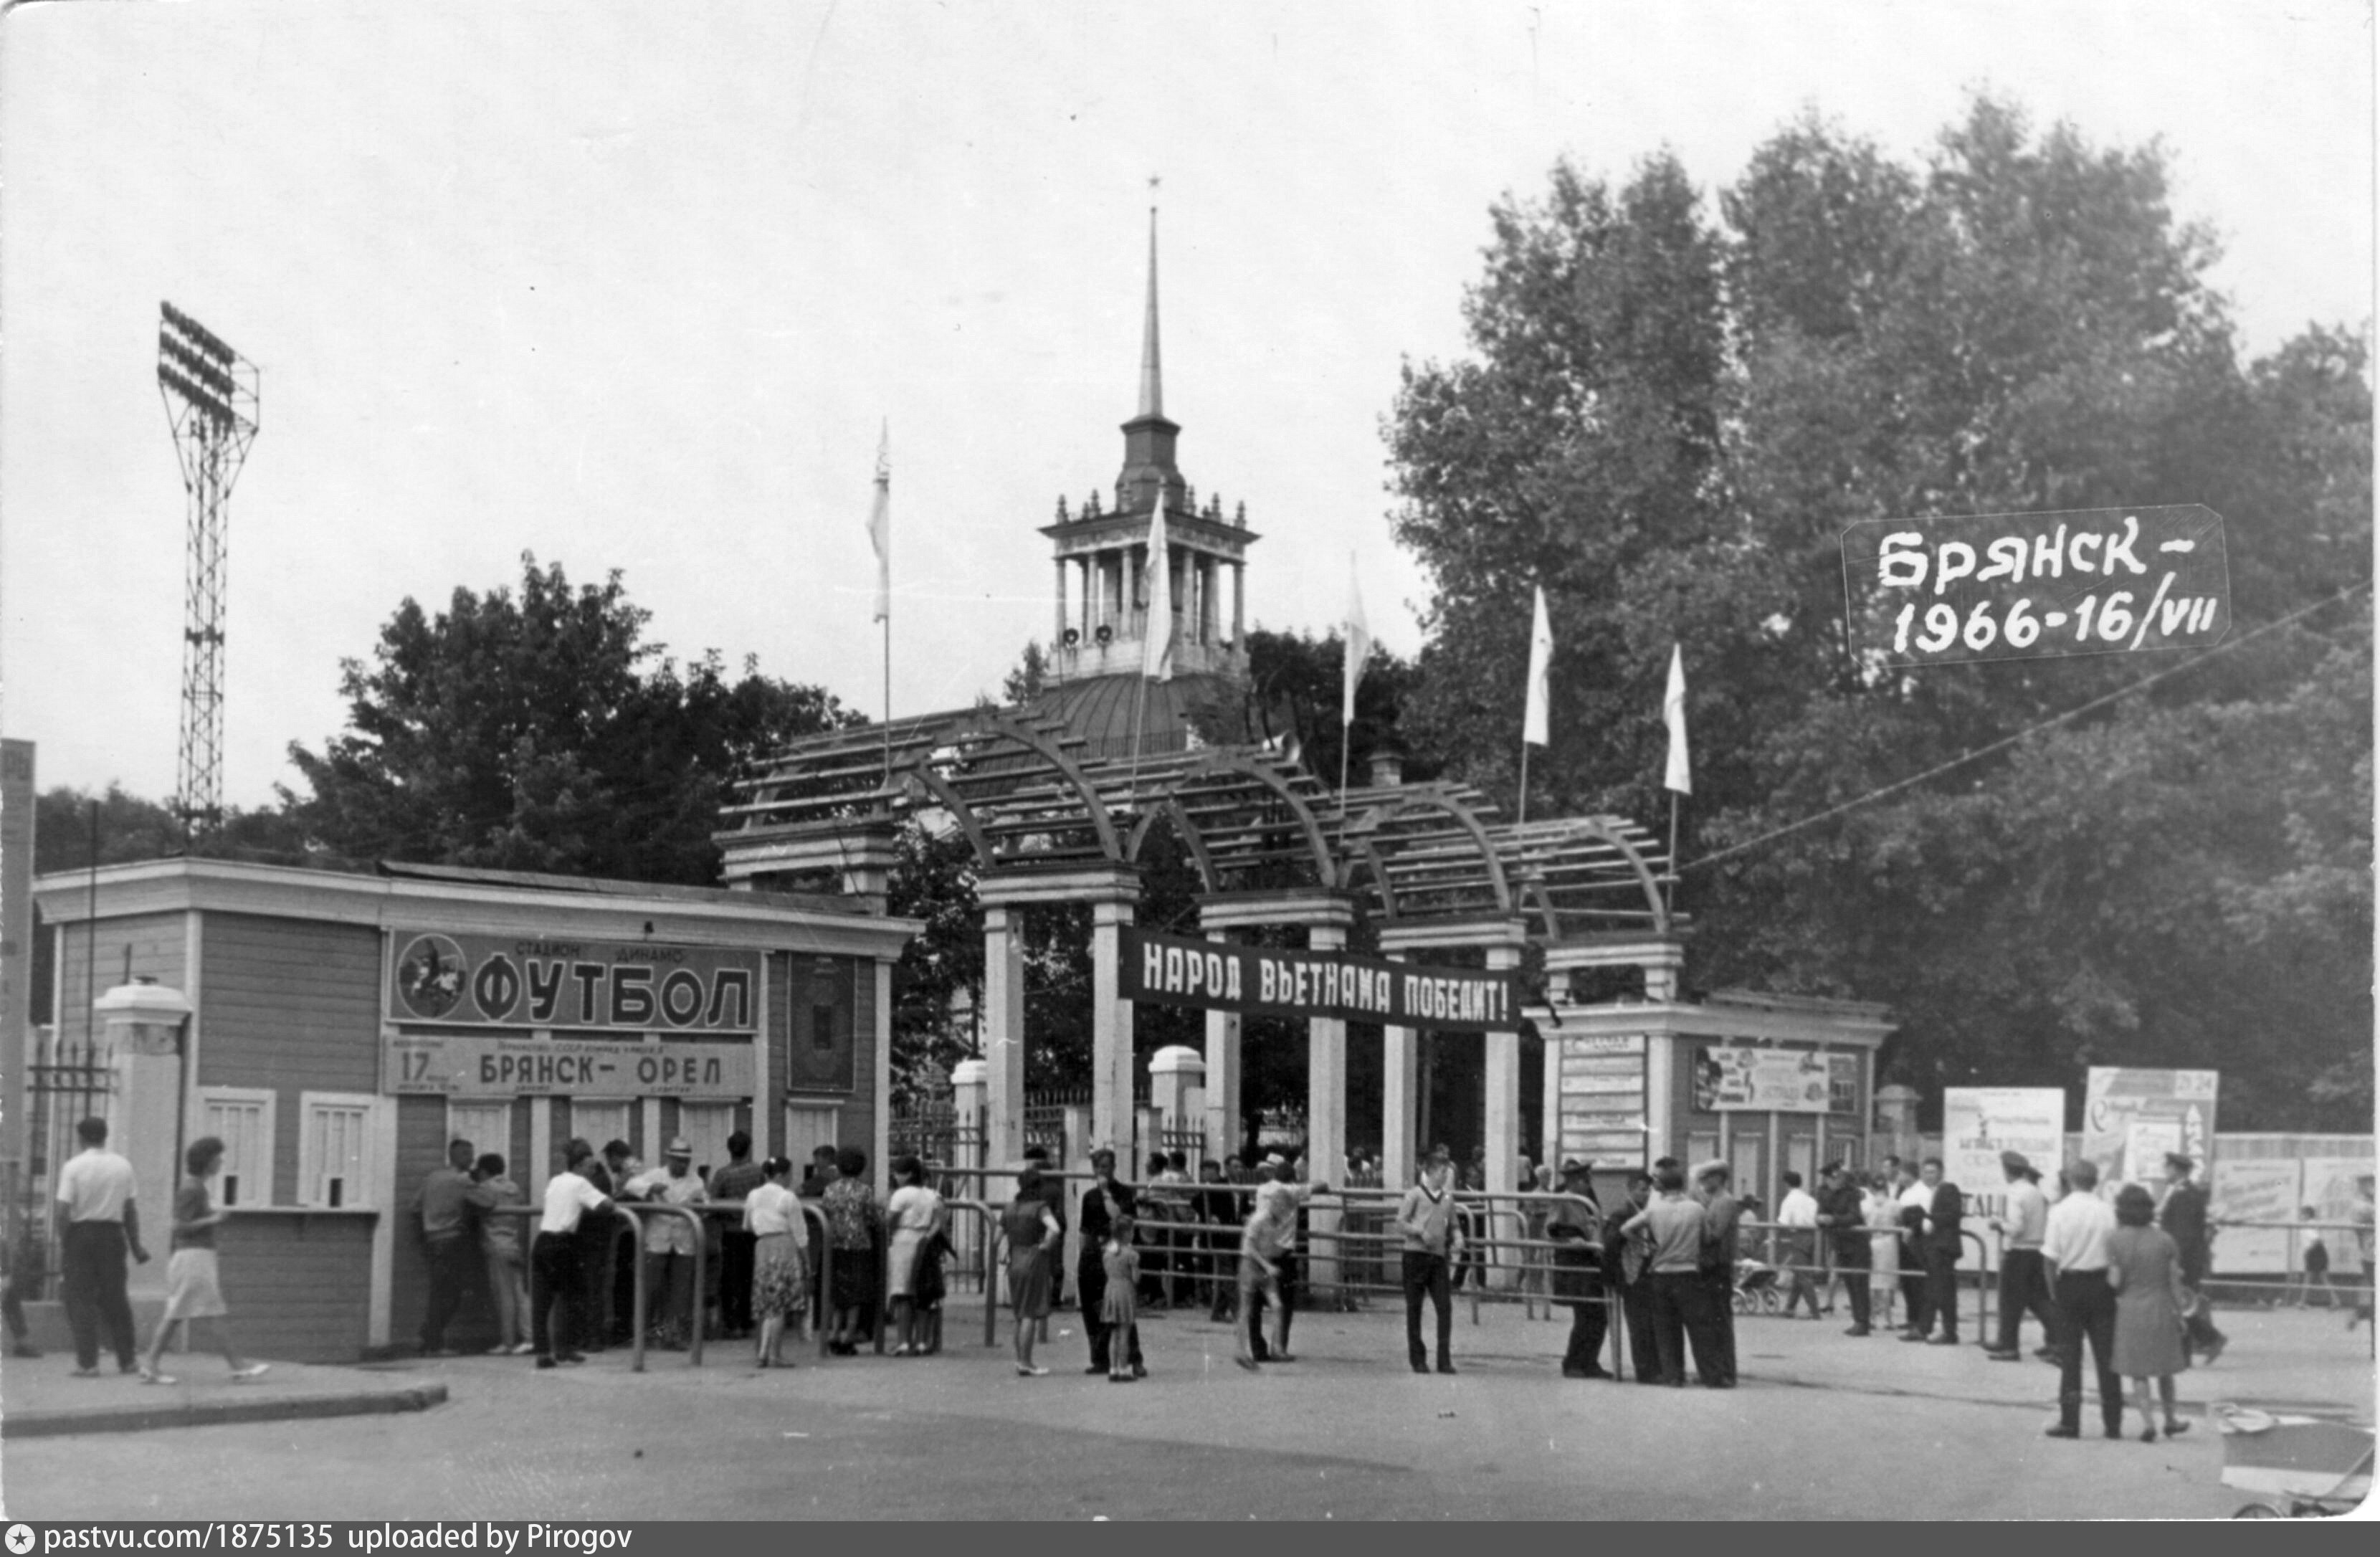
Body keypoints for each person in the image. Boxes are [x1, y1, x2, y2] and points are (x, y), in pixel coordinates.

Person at [135, 1136, 270, 1386]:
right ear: (207, 1161)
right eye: (218, 1158)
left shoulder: (195, 1188)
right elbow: (179, 1225)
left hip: (194, 1257)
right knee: (208, 1311)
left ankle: (151, 1364)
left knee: (181, 1313)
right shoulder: (193, 1189)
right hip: (194, 1257)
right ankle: (236, 1366)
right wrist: (213, 1220)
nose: (221, 1162)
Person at [57, 1116, 151, 1377]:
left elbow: (63, 1211)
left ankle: (88, 1363)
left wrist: (66, 1240)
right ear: (105, 1136)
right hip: (112, 1234)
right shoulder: (123, 1167)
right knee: (116, 1298)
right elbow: (130, 1210)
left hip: (81, 1234)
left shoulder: (73, 1167)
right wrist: (136, 1246)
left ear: (81, 1138)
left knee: (80, 1299)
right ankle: (127, 1360)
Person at [2042, 1158, 2125, 1440]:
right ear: (2095, 1181)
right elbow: (2117, 1254)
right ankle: (2113, 1423)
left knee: (2070, 1358)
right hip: (2101, 1285)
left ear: (2071, 1180)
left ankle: (2070, 1421)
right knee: (2107, 1358)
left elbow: (2050, 1257)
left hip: (2070, 1285)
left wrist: (2053, 1292)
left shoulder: (2059, 1211)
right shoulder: (2108, 1211)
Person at [2107, 1183, 2192, 1443]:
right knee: (2165, 1369)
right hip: (2161, 1308)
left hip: (2130, 1310)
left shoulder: (2116, 1240)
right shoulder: (2165, 1240)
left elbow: (2114, 1282)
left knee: (2139, 1372)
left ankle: (2148, 1423)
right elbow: (2174, 1283)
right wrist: (2182, 1314)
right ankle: (2170, 1420)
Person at [1621, 1162, 1718, 1387]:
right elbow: (1707, 1238)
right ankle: (1710, 1375)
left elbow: (1625, 1229)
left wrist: (1645, 1243)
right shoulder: (1696, 1209)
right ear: (1682, 1185)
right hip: (1689, 1273)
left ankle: (1673, 1375)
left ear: (1661, 1187)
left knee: (1666, 1329)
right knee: (1698, 1328)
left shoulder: (1654, 1210)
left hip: (1662, 1274)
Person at [532, 1141, 611, 1369]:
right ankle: (565, 1347)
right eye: (589, 1167)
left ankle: (543, 1352)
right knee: (571, 1297)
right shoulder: (581, 1184)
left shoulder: (556, 1180)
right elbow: (606, 1204)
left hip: (543, 1240)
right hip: (564, 1242)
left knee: (543, 1300)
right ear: (578, 1166)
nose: (592, 1171)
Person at [625, 1138, 708, 1348]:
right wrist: (651, 1187)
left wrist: (701, 1206)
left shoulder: (696, 1181)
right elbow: (631, 1185)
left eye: (685, 1161)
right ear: (669, 1158)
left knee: (680, 1293)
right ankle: (641, 1335)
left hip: (683, 1242)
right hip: (657, 1240)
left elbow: (707, 1203)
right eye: (678, 1160)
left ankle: (672, 1336)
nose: (682, 1165)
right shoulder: (656, 1175)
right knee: (649, 1290)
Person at [1077, 1148, 1145, 1377]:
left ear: (1113, 1167)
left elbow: (1118, 1218)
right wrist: (1083, 1254)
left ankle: (1134, 1359)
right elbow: (1084, 1229)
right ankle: (1099, 1358)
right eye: (1097, 1167)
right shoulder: (1089, 1196)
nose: (1100, 1171)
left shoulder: (1123, 1193)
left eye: (1104, 1166)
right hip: (1095, 1254)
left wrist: (1106, 1192)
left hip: (1117, 1254)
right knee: (1095, 1308)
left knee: (1121, 1309)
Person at [1396, 1143, 1463, 1375]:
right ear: (1432, 1172)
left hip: (1437, 1257)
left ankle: (1444, 1359)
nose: (1446, 1176)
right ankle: (1418, 1358)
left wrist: (1458, 1236)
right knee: (1414, 1307)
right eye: (1443, 1172)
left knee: (1444, 1307)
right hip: (1416, 1255)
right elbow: (1401, 1222)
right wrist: (1418, 1231)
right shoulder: (1414, 1195)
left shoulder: (1447, 1199)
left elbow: (1454, 1223)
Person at [1985, 1151, 2057, 1361]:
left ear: (2007, 1171)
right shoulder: (2035, 1191)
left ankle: (2008, 1346)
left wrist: (1999, 1224)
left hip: (2018, 1252)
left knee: (2009, 1302)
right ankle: (2056, 1340)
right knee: (2039, 1300)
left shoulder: (2015, 1193)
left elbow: (2016, 1228)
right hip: (2036, 1252)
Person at [411, 1138, 480, 1356]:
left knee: (439, 1291)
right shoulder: (462, 1181)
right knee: (451, 1294)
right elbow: (488, 1201)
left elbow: (415, 1207)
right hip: (452, 1240)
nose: (472, 1159)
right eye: (468, 1154)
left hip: (432, 1240)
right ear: (457, 1156)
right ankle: (433, 1343)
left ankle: (429, 1338)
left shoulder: (432, 1178)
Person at [2156, 1153, 2226, 1365]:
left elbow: (2183, 1234)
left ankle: (2210, 1339)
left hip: (2184, 1259)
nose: (2164, 1171)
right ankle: (2191, 1350)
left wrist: (2176, 1262)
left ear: (2176, 1169)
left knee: (2181, 1303)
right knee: (2181, 1304)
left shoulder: (2185, 1194)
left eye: (2167, 1167)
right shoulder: (2181, 1192)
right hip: (2185, 1257)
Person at [1547, 1158, 1609, 1379]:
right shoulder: (1564, 1200)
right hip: (1574, 1263)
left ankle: (1589, 1361)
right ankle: (1574, 1362)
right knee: (1586, 1315)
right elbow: (1553, 1228)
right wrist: (1571, 1238)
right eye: (1585, 1179)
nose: (1588, 1183)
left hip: (1588, 1261)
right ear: (1575, 1181)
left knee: (1597, 1316)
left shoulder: (1585, 1200)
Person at [743, 1156, 806, 1368]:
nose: (791, 1179)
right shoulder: (788, 1197)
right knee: (779, 1304)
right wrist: (806, 1262)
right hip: (783, 1246)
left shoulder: (753, 1195)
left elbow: (748, 1225)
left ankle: (762, 1351)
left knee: (765, 1303)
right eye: (789, 1174)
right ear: (780, 1175)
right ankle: (774, 1354)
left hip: (762, 1246)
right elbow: (800, 1233)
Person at [470, 1153, 533, 1356]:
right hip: (514, 1244)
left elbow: (470, 1200)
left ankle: (507, 1342)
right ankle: (530, 1337)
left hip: (496, 1245)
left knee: (503, 1296)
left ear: (484, 1171)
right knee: (520, 1294)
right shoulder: (514, 1188)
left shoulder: (485, 1188)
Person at [708, 1130, 768, 1343]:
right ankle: (748, 1320)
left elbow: (712, 1200)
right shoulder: (757, 1171)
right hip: (754, 1230)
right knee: (751, 1276)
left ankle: (733, 1324)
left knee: (731, 1278)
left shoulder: (723, 1174)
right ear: (749, 1148)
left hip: (731, 1231)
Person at [884, 1154, 946, 1356]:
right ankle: (922, 1341)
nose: (896, 1176)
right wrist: (928, 1236)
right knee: (923, 1293)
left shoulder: (901, 1195)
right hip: (924, 1241)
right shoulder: (933, 1195)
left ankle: (903, 1341)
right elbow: (940, 1221)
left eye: (899, 1172)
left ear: (908, 1174)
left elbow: (890, 1220)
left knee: (902, 1293)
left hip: (903, 1239)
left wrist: (890, 1232)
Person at [1003, 1167, 1062, 1376]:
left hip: (1015, 1259)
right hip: (1034, 1259)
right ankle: (1027, 1362)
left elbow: (998, 1235)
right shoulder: (1040, 1207)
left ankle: (1020, 1359)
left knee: (1020, 1314)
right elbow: (1054, 1228)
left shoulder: (1009, 1208)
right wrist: (1046, 1245)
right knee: (1030, 1313)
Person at [821, 1146, 880, 1355]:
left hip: (835, 1245)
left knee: (838, 1294)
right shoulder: (864, 1191)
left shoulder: (830, 1189)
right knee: (856, 1294)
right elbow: (872, 1217)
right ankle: (849, 1336)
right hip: (859, 1246)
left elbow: (826, 1211)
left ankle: (835, 1333)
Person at [1605, 1169, 1662, 1383]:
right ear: (1630, 1190)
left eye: (1648, 1190)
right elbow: (1612, 1242)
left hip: (1645, 1268)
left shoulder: (1645, 1211)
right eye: (1641, 1190)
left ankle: (1651, 1368)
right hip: (1633, 1271)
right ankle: (1646, 1370)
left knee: (1648, 1322)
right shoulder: (1622, 1213)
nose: (1646, 1194)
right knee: (1639, 1323)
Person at [1693, 1161, 1739, 1386]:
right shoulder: (1714, 1201)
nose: (1703, 1184)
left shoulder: (1724, 1202)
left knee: (1719, 1320)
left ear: (1719, 1179)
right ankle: (1719, 1370)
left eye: (1707, 1179)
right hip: (1712, 1266)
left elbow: (1714, 1235)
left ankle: (1725, 1372)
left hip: (1718, 1266)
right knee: (1713, 1320)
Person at [1816, 1163, 1872, 1335]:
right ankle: (1857, 1320)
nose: (1837, 1181)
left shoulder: (1851, 1193)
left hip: (1856, 1244)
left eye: (1839, 1177)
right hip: (1839, 1244)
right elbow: (1820, 1214)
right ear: (1827, 1180)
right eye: (1833, 1179)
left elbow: (1855, 1216)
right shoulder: (1823, 1193)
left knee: (1859, 1283)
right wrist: (1821, 1221)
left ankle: (1863, 1322)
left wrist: (1833, 1220)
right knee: (1849, 1283)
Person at [1774, 1171, 1824, 1319]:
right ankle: (1790, 1306)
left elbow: (1783, 1222)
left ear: (1787, 1184)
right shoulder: (1810, 1199)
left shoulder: (1789, 1200)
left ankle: (1815, 1310)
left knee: (1803, 1275)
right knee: (1799, 1272)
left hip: (1798, 1235)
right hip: (1812, 1235)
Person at [1101, 1214, 1143, 1381]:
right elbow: (1136, 1278)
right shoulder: (1131, 1254)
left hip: (1110, 1289)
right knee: (1124, 1332)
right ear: (1127, 1233)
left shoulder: (1107, 1253)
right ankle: (1124, 1368)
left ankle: (1113, 1368)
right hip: (1125, 1291)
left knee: (1114, 1333)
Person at [1865, 1171, 1903, 1332]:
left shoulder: (1866, 1204)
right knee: (1887, 1281)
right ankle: (1888, 1319)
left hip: (1874, 1240)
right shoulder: (1894, 1204)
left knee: (1873, 1281)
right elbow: (1900, 1220)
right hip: (1889, 1241)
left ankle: (1872, 1318)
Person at [2291, 1207, 2333, 1309]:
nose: (2301, 1216)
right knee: (2318, 1278)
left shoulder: (2308, 1225)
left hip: (2315, 1253)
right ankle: (2335, 1301)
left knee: (2314, 1278)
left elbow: (2317, 1240)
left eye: (2303, 1214)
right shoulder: (2310, 1224)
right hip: (2317, 1252)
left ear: (2308, 1215)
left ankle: (2302, 1302)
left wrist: (2308, 1251)